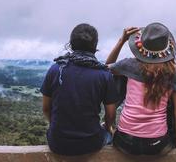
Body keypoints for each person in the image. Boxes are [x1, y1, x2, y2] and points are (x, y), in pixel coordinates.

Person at [106, 22, 176, 155]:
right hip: (157, 145)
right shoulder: (174, 75)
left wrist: (121, 41)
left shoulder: (129, 65)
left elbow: (107, 68)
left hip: (124, 142)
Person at [40, 23, 118, 155]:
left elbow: (46, 108)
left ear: (71, 44)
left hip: (58, 143)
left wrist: (56, 127)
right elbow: (110, 115)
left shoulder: (56, 69)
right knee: (110, 136)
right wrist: (108, 127)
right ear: (95, 46)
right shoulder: (104, 74)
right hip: (91, 143)